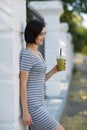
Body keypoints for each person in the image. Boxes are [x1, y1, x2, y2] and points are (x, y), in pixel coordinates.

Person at [19, 19, 65, 130]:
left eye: (44, 33)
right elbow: (23, 84)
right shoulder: (27, 55)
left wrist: (54, 71)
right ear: (32, 34)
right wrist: (25, 112)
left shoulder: (38, 53)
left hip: (41, 104)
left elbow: (38, 80)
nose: (44, 36)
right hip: (34, 107)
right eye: (41, 34)